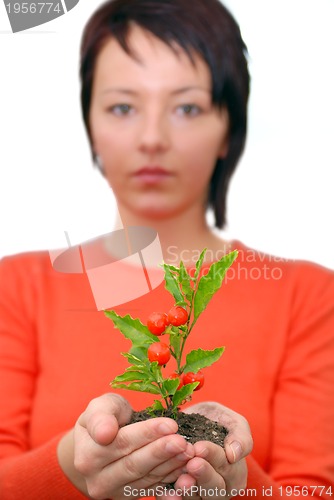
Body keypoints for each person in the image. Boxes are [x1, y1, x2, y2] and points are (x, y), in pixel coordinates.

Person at [0, 0, 333, 498]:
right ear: (90, 123)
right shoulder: (17, 287)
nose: (152, 138)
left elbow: (314, 490)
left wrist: (239, 485)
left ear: (228, 128)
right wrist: (72, 461)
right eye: (123, 107)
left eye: (187, 107)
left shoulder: (309, 296)